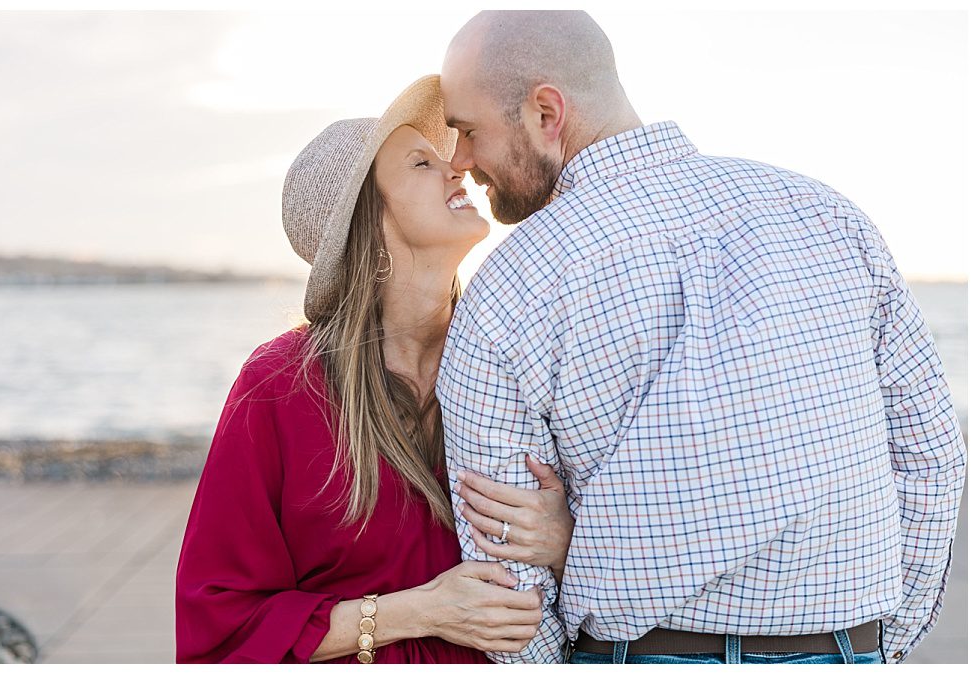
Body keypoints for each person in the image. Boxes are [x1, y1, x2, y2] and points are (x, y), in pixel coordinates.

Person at [438, 10, 967, 665]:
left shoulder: (515, 281)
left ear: (546, 113)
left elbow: (505, 568)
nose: (459, 161)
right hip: (847, 649)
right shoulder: (828, 216)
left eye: (466, 130)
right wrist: (883, 641)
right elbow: (931, 457)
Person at [174, 75, 575, 664]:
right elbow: (220, 620)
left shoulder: (523, 356)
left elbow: (641, 541)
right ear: (369, 220)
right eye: (420, 163)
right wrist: (418, 611)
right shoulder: (282, 384)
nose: (456, 169)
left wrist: (566, 541)